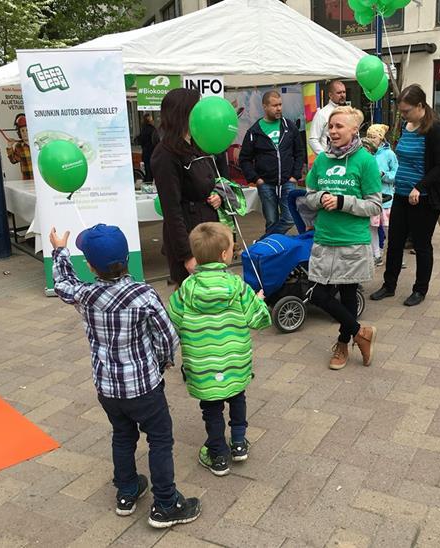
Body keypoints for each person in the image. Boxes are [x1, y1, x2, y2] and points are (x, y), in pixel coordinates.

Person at [49, 223, 201, 529]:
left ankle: (127, 491)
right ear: (127, 259)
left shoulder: (87, 295)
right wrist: (163, 361)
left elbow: (63, 284)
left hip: (107, 389)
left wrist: (60, 250)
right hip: (145, 387)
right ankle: (166, 504)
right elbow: (168, 335)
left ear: (90, 265)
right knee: (159, 440)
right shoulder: (143, 295)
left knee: (122, 435)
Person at [168, 222, 271, 476]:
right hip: (235, 362)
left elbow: (171, 322)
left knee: (211, 407)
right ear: (225, 255)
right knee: (237, 398)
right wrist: (259, 303)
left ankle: (218, 454)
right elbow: (259, 319)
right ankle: (238, 443)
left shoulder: (185, 292)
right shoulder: (238, 287)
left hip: (203, 365)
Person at [370, 84, 440, 307]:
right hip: (401, 195)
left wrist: (419, 187)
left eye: (406, 111)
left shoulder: (435, 130)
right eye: (401, 111)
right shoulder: (407, 126)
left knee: (422, 245)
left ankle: (420, 289)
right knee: (394, 242)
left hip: (424, 198)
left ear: (420, 106)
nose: (403, 115)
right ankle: (389, 285)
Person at [304, 106, 382, 370]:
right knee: (315, 293)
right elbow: (309, 195)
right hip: (325, 238)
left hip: (353, 240)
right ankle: (361, 332)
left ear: (354, 130)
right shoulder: (322, 160)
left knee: (348, 294)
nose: (333, 131)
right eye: (331, 126)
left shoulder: (365, 161)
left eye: (340, 127)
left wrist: (342, 202)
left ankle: (342, 343)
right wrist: (320, 199)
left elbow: (374, 206)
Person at [151, 88, 222, 286]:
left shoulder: (196, 145)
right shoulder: (165, 154)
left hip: (208, 233)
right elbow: (171, 209)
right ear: (182, 113)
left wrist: (217, 196)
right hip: (190, 239)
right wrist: (187, 255)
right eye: (196, 108)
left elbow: (209, 182)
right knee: (193, 305)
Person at [239, 90, 303, 237]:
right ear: (265, 107)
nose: (279, 108)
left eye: (280, 104)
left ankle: (263, 242)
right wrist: (256, 179)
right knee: (272, 220)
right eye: (274, 105)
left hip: (288, 181)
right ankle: (272, 253)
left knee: (290, 217)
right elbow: (244, 159)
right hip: (266, 183)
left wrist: (295, 175)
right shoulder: (254, 131)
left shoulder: (289, 127)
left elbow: (299, 152)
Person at [366, 124, 398, 266]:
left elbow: (396, 174)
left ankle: (395, 255)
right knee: (372, 227)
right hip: (371, 197)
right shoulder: (366, 153)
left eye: (374, 137)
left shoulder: (390, 154)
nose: (371, 140)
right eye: (369, 137)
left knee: (388, 228)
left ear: (381, 137)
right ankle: (376, 255)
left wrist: (383, 175)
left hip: (386, 198)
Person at [308, 80, 347, 156]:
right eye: (339, 93)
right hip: (330, 159)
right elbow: (313, 139)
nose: (342, 95)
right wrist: (325, 156)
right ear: (330, 95)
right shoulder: (322, 114)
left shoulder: (348, 112)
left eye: (344, 92)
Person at [6, 113, 33, 180]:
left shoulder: (38, 143)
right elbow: (13, 160)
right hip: (27, 180)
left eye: (27, 130)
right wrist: (9, 147)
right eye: (22, 130)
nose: (25, 133)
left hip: (41, 179)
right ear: (19, 132)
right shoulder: (19, 146)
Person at [138, 113, 156, 182]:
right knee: (152, 171)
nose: (153, 120)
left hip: (145, 153)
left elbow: (141, 141)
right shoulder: (152, 129)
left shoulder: (143, 129)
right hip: (152, 153)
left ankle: (148, 183)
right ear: (149, 120)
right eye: (151, 119)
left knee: (148, 171)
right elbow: (155, 141)